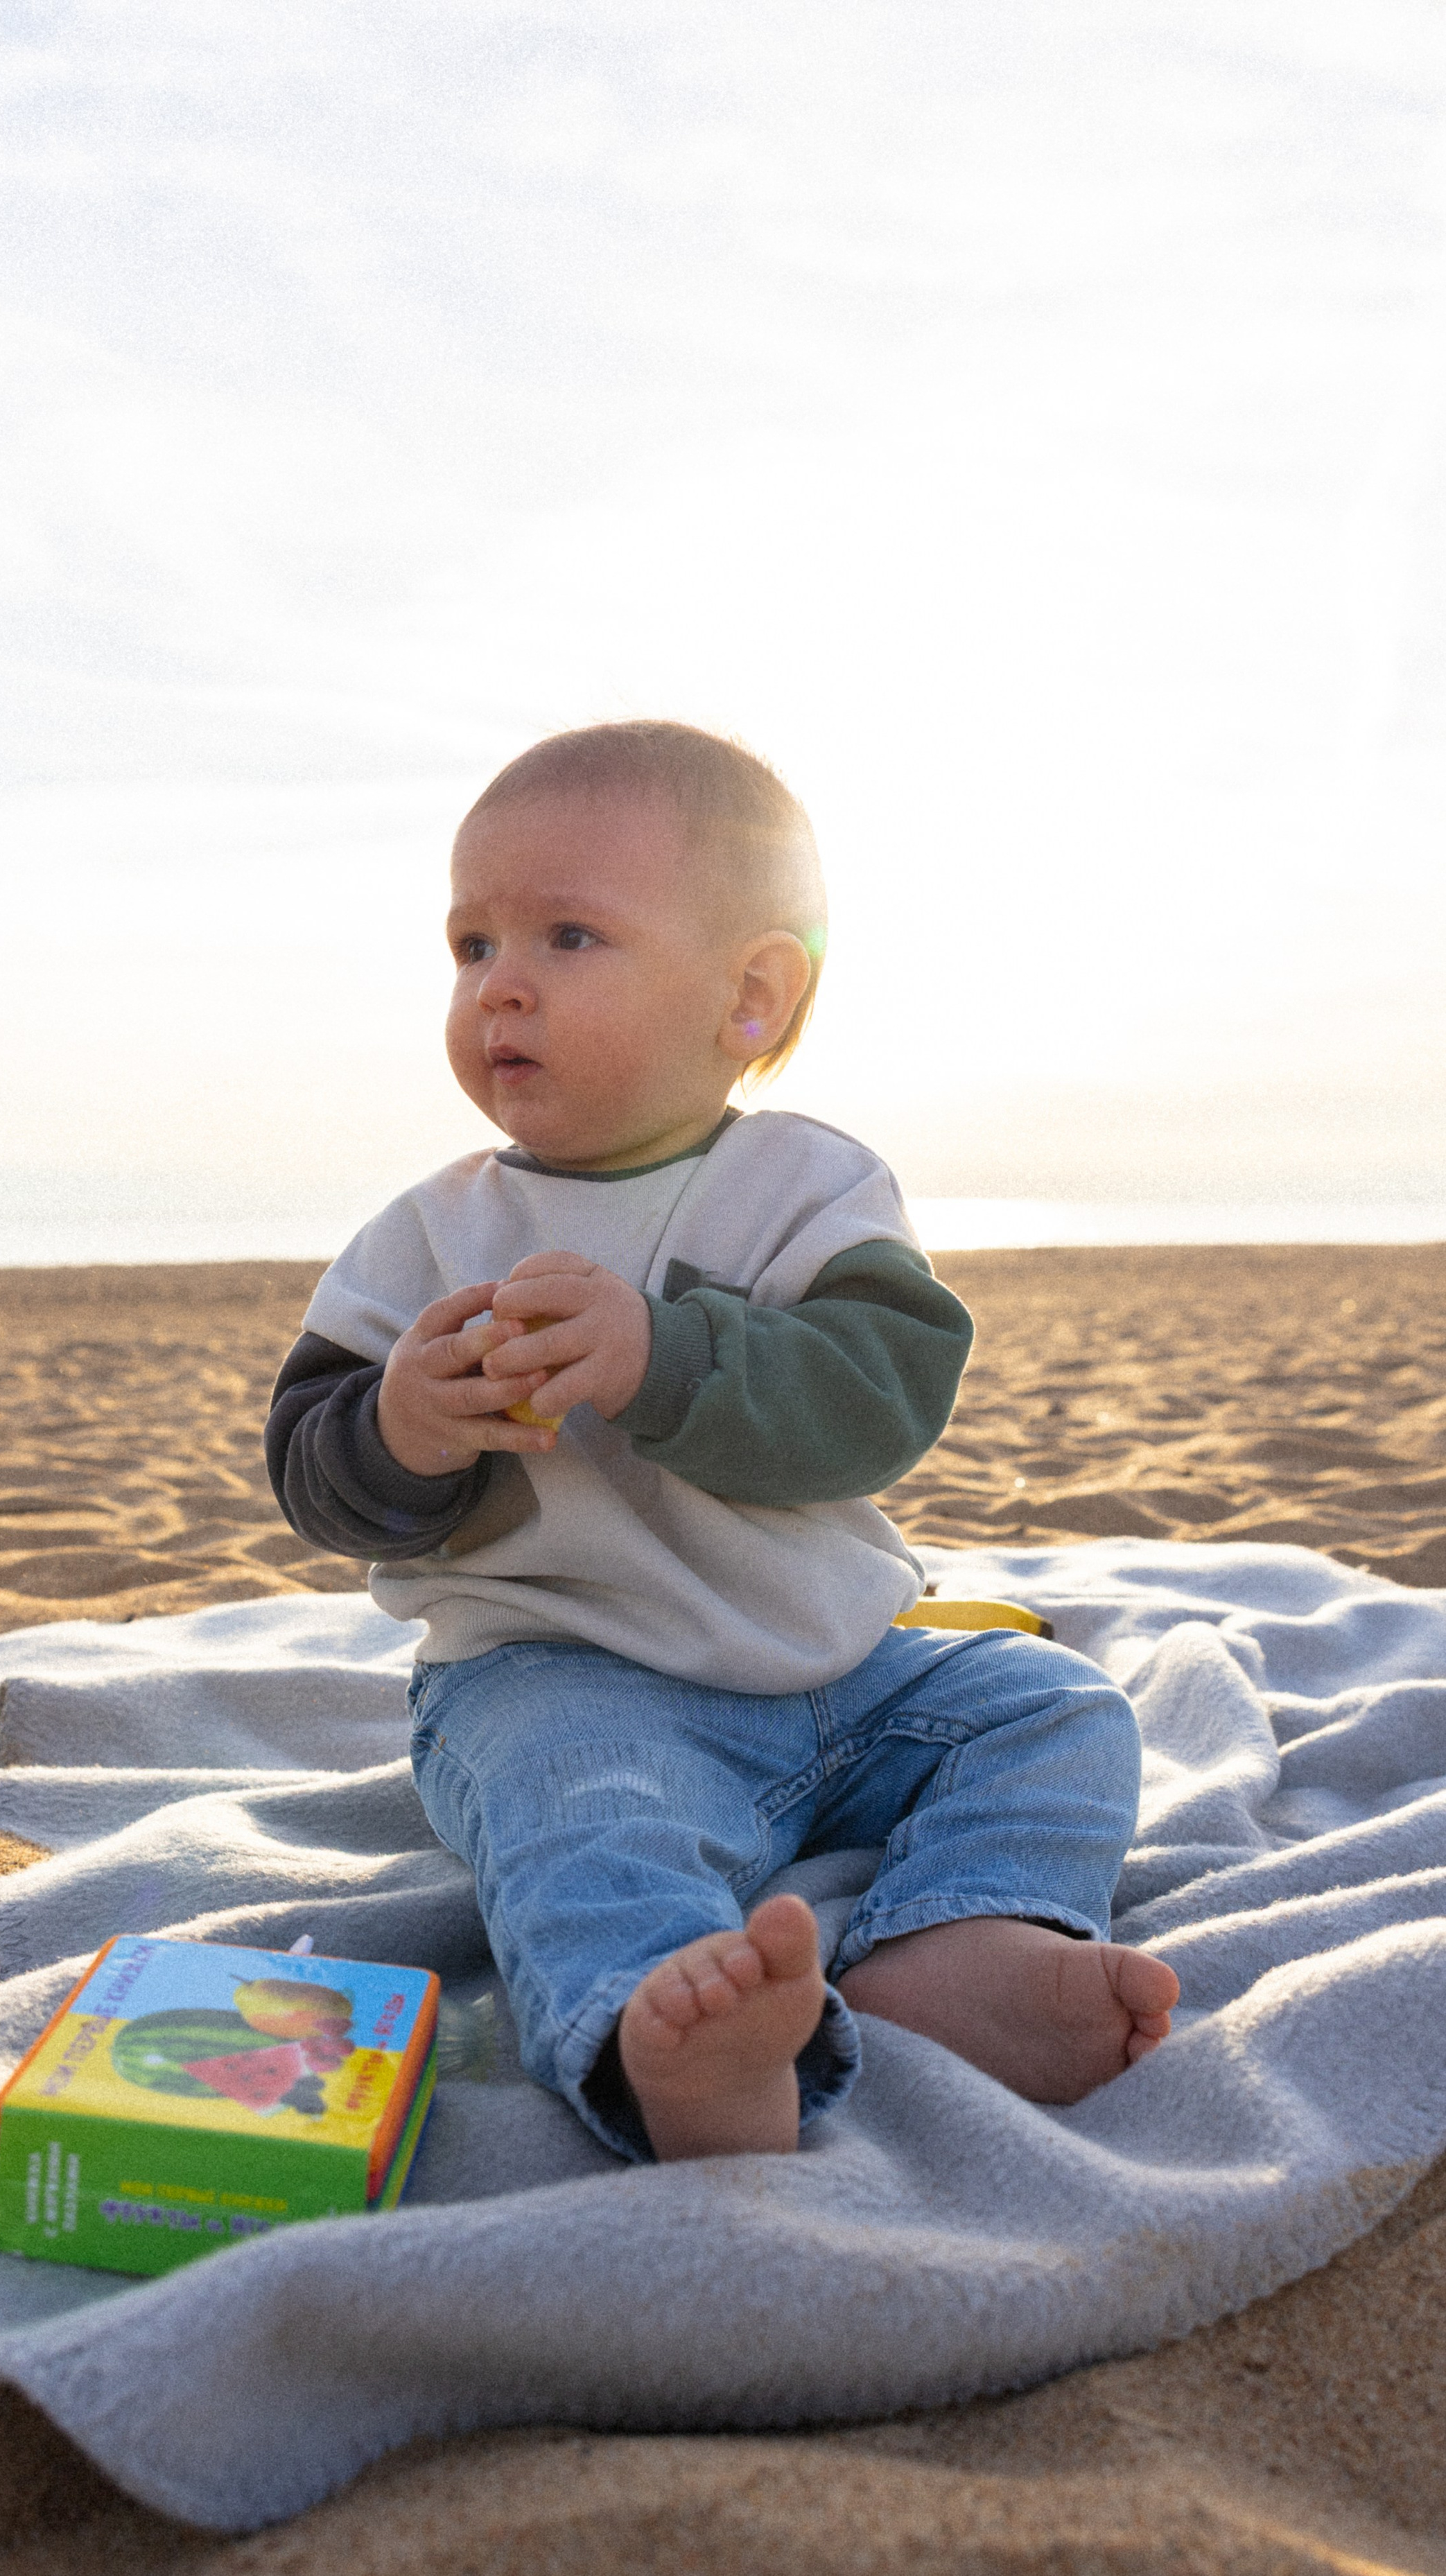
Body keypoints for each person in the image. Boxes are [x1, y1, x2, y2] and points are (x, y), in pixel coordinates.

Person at [266, 721, 1179, 2162]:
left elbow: (884, 1395)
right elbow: (310, 1465)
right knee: (580, 1822)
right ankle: (665, 2049)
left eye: (568, 935)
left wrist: (660, 1354)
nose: (499, 983)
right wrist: (402, 1426)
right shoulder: (428, 1236)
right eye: (469, 943)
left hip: (844, 1666)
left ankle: (960, 1941)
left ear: (749, 996)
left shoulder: (804, 1187)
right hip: (564, 1677)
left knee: (1052, 1711)